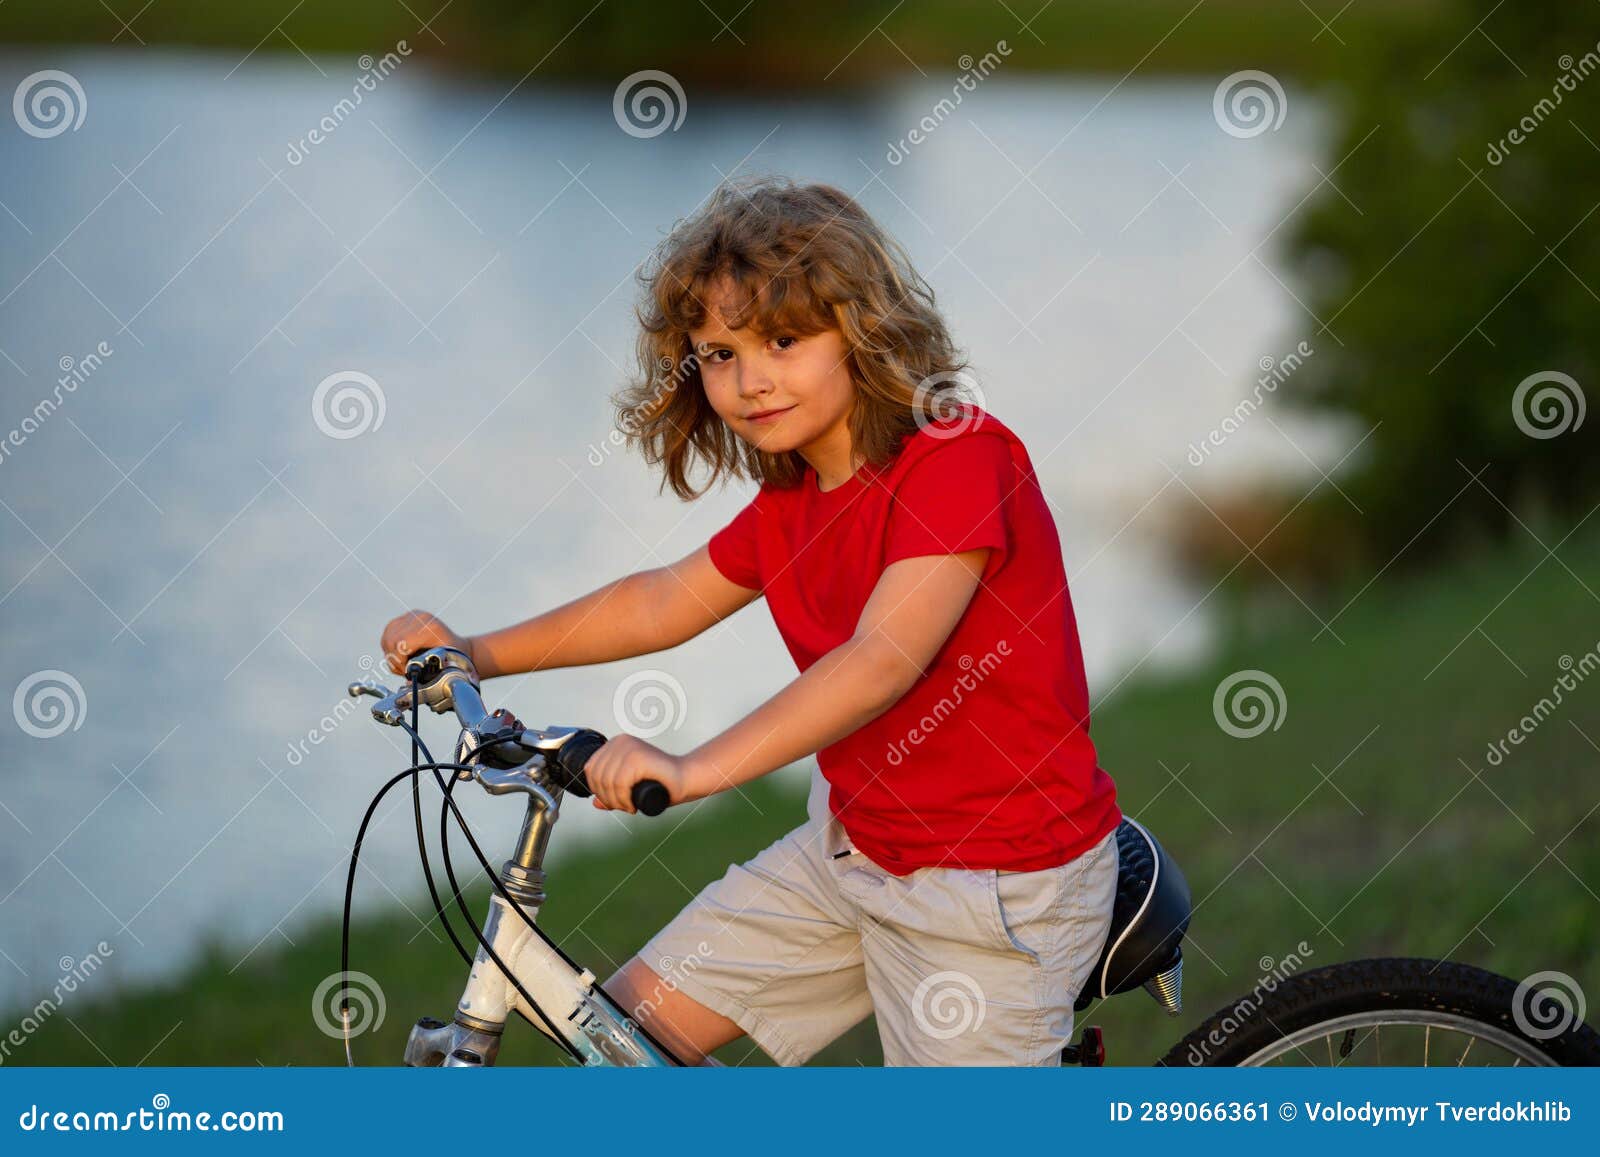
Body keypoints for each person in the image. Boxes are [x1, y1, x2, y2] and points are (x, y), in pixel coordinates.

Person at [378, 175, 1121, 1067]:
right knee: (616, 1047)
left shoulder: (956, 459)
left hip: (991, 888)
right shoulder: (795, 495)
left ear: (862, 330)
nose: (751, 380)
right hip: (855, 851)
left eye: (783, 339)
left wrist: (692, 769)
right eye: (720, 354)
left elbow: (880, 660)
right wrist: (474, 652)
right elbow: (660, 601)